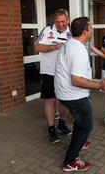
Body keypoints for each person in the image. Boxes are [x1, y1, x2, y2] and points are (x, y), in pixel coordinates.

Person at [55, 17, 105, 172]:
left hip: (63, 93)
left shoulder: (69, 43)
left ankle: (80, 141)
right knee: (87, 125)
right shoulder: (79, 50)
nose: (92, 30)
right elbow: (76, 80)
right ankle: (70, 161)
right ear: (84, 31)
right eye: (91, 27)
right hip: (74, 95)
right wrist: (99, 85)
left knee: (80, 122)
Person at [35, 9, 72, 145]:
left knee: (64, 100)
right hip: (49, 71)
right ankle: (51, 130)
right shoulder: (47, 30)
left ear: (67, 20)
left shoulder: (71, 33)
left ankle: (62, 124)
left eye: (63, 21)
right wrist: (53, 47)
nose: (60, 24)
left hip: (65, 72)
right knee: (50, 100)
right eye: (57, 22)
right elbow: (37, 47)